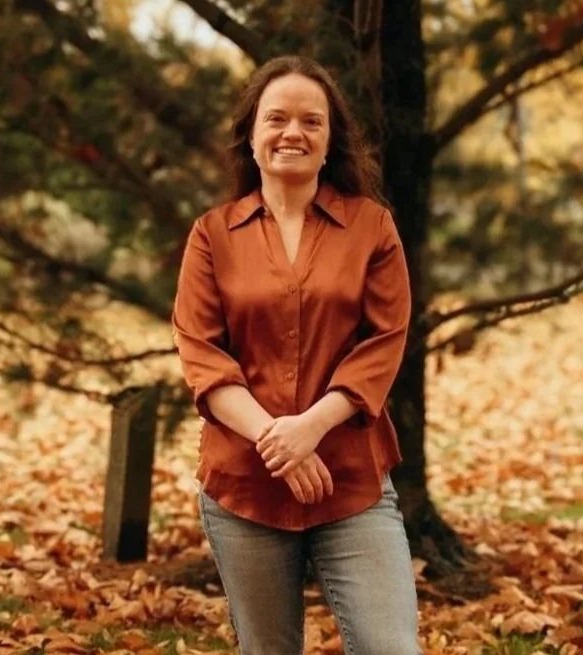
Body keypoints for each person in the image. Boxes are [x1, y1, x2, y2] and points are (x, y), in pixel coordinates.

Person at [172, 54, 421, 654]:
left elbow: (384, 340)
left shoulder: (372, 227)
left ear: (330, 138)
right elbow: (202, 354)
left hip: (352, 483)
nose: (293, 133)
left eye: (311, 121)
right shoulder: (211, 235)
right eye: (276, 119)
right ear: (251, 135)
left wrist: (311, 426)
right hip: (245, 488)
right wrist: (277, 441)